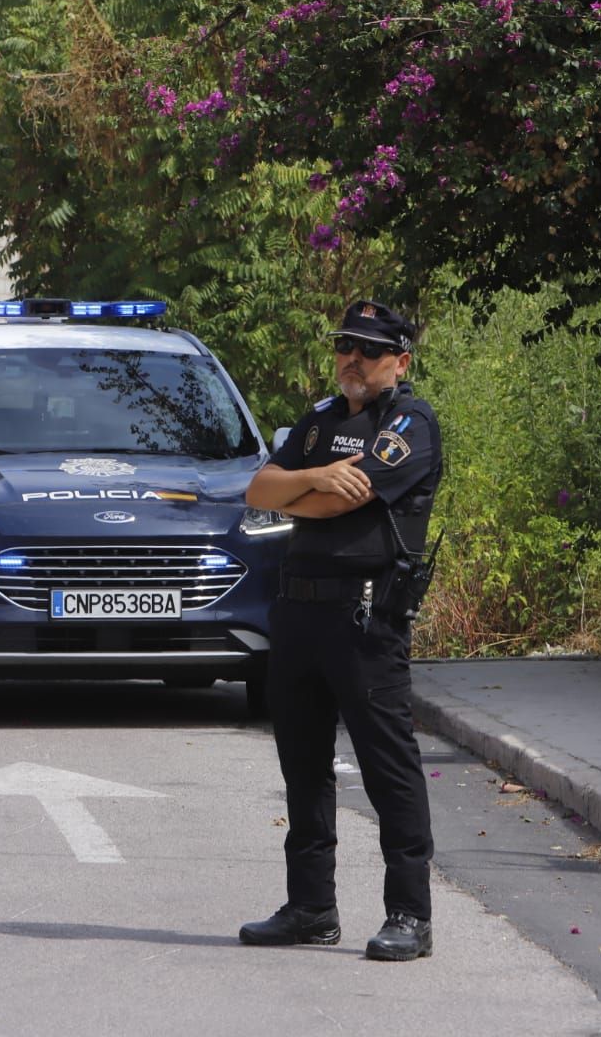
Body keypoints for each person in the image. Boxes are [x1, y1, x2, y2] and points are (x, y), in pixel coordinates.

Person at [240, 299, 443, 961]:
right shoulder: (322, 419)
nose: (352, 359)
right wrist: (310, 477)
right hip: (297, 612)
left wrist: (307, 486)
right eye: (344, 345)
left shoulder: (410, 423)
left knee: (387, 766)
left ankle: (410, 915)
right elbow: (259, 490)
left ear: (400, 361)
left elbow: (338, 497)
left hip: (363, 611)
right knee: (302, 765)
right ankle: (310, 908)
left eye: (369, 349)